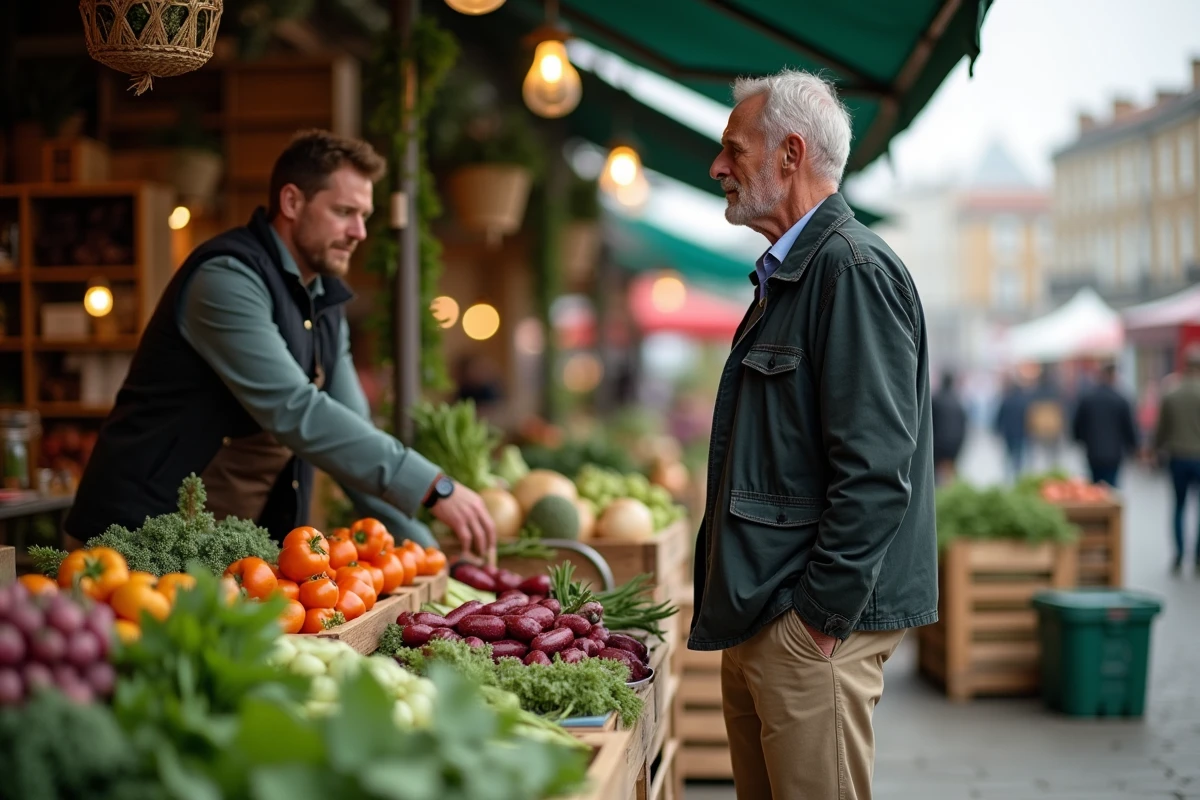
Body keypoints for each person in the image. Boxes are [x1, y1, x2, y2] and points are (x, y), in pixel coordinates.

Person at [66, 130, 496, 559]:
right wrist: (431, 485)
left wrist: (427, 553)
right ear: (292, 203)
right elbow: (292, 408)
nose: (360, 232)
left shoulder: (327, 301)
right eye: (345, 212)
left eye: (365, 215)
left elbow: (349, 436)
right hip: (133, 538)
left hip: (221, 546)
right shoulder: (227, 279)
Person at [688, 69, 937, 800]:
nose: (718, 167)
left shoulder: (849, 270)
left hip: (808, 628)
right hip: (772, 615)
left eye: (733, 149)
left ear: (791, 154)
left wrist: (816, 625)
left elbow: (876, 470)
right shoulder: (799, 271)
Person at [1155, 344, 1200, 572]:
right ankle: (1199, 556)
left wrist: (1153, 450)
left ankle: (1179, 554)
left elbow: (1161, 429)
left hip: (1178, 457)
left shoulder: (1171, 393)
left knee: (1179, 506)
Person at [1071, 363, 1138, 487]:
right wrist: (1134, 447)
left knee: (1095, 485)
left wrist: (1081, 439)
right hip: (1114, 453)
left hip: (1093, 451)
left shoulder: (1087, 398)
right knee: (1111, 487)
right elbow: (1129, 428)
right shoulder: (1121, 399)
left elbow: (1077, 425)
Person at [931, 371, 968, 485]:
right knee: (949, 474)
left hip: (937, 444)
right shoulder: (958, 402)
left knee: (935, 473)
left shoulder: (935, 399)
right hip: (954, 444)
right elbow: (963, 426)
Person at [994, 376, 1031, 482]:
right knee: (1018, 456)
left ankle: (1008, 476)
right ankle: (1018, 476)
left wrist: (997, 430)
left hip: (1008, 432)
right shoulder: (1023, 401)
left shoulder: (1007, 400)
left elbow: (1000, 416)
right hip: (1020, 432)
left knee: (1008, 455)